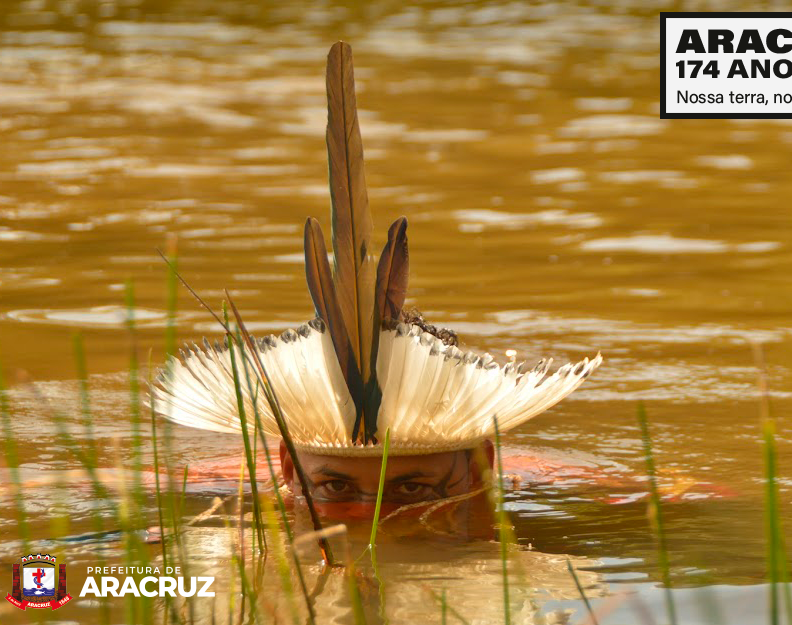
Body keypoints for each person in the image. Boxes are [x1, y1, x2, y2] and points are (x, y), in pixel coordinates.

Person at [151, 41, 601, 521]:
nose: (369, 517)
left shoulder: (542, 484)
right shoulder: (223, 486)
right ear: (285, 466)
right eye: (335, 485)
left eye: (410, 489)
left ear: (479, 467)